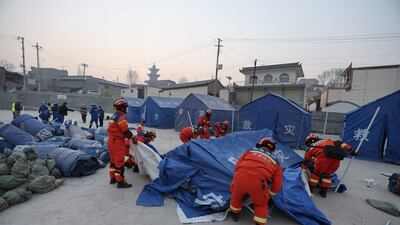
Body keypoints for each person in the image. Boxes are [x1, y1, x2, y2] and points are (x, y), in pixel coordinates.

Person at [229, 137, 282, 225]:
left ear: (259, 145)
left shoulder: (249, 151)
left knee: (236, 197)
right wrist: (270, 193)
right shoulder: (276, 162)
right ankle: (259, 222)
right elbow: (277, 184)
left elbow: (237, 166)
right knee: (261, 204)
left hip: (239, 178)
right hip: (258, 184)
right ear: (272, 149)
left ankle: (235, 215)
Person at [301, 133, 356, 198]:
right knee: (327, 175)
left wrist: (303, 171)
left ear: (308, 142)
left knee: (316, 174)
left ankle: (311, 189)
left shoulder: (310, 148)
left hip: (323, 160)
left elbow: (306, 161)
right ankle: (323, 192)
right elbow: (340, 143)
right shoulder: (327, 141)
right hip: (336, 158)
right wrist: (350, 149)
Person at [107, 97, 137, 188]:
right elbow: (126, 132)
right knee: (119, 162)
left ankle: (113, 178)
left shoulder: (114, 116)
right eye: (125, 107)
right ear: (122, 107)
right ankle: (120, 182)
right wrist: (133, 137)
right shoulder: (121, 117)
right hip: (117, 142)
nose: (126, 109)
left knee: (113, 161)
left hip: (111, 140)